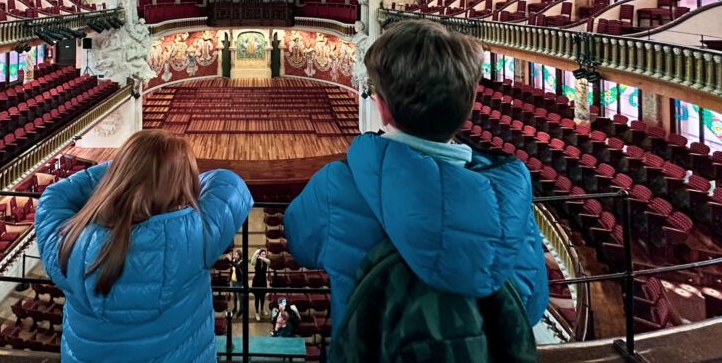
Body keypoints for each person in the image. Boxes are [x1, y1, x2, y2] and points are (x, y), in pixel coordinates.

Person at [284, 19, 549, 335]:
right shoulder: (510, 199)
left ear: (382, 108)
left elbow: (299, 243)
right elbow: (532, 305)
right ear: (467, 110)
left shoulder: (336, 184)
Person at [35, 130, 253, 363]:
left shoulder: (66, 242)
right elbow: (229, 183)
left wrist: (125, 170)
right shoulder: (195, 236)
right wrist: (174, 177)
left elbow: (55, 195)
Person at [250, 248, 270, 320]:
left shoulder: (265, 261)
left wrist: (261, 257)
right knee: (257, 298)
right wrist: (255, 253)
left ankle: (262, 309)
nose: (264, 255)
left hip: (263, 281)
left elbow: (269, 262)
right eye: (262, 254)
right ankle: (257, 312)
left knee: (263, 297)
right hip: (256, 281)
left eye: (264, 254)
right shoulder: (256, 260)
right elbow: (252, 262)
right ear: (259, 254)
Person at [228, 248, 246, 316]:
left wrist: (231, 261)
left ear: (240, 256)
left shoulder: (242, 263)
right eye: (235, 254)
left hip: (239, 282)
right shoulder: (234, 261)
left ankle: (241, 309)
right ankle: (235, 308)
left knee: (240, 297)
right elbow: (232, 270)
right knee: (234, 296)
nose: (235, 256)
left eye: (237, 255)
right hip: (233, 281)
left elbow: (237, 267)